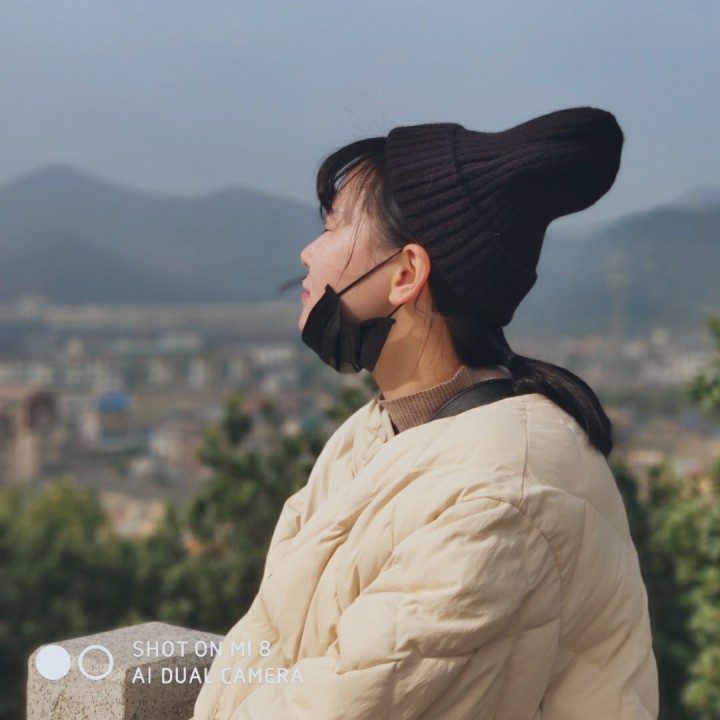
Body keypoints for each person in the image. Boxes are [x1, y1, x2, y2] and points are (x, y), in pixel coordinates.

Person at [193, 107, 659, 719]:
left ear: (406, 273)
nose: (308, 253)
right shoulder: (371, 433)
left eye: (333, 227)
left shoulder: (498, 500)